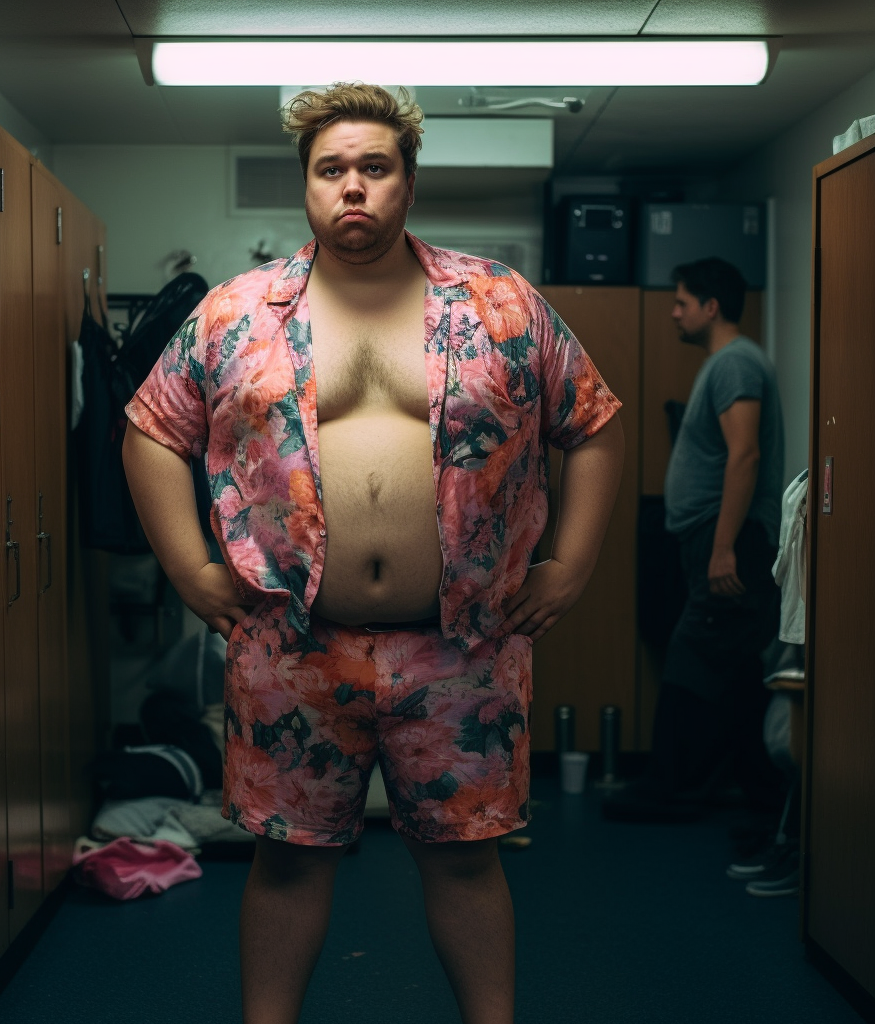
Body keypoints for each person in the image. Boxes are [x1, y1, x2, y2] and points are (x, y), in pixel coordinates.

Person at [123, 83, 624, 1024]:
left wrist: (572, 562)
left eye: (374, 167)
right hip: (293, 647)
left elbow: (593, 423)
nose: (353, 187)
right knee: (287, 859)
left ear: (408, 180)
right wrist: (190, 567)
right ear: (306, 185)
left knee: (466, 857)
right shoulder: (238, 313)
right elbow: (151, 429)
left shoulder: (499, 304)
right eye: (331, 169)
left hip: (463, 644)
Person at [606, 257, 786, 824]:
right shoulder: (728, 363)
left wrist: (725, 547)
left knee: (692, 659)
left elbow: (746, 455)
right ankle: (757, 795)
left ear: (712, 307)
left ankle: (668, 787)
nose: (674, 312)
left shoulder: (735, 364)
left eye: (683, 301)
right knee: (732, 671)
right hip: (712, 537)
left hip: (728, 539)